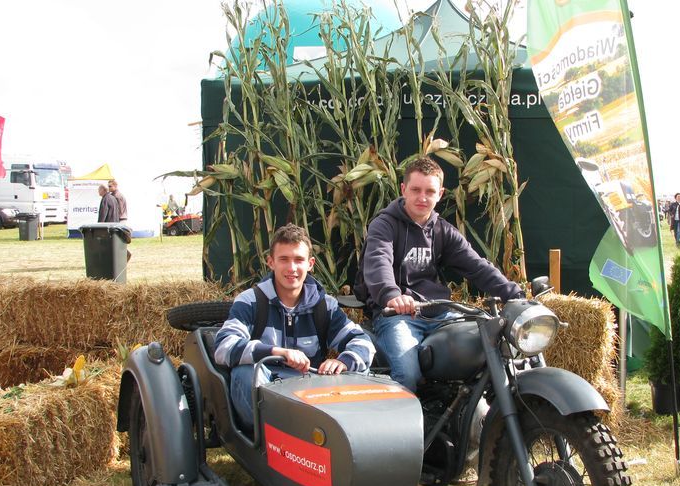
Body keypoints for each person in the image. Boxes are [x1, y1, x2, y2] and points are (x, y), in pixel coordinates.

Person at [359, 156, 525, 391]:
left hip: (439, 314)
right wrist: (391, 295)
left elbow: (476, 265)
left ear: (440, 193)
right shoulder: (385, 225)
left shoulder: (442, 230)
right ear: (403, 189)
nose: (422, 197)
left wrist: (514, 294)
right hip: (397, 315)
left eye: (430, 191)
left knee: (490, 350)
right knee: (407, 373)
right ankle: (411, 427)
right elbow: (378, 261)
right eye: (416, 190)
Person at [214, 224, 375, 431]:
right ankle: (266, 439)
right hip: (266, 387)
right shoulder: (251, 301)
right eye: (284, 259)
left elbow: (362, 341)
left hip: (307, 388)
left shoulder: (324, 305)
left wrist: (343, 362)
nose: (292, 268)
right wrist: (276, 352)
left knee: (362, 370)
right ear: (270, 262)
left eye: (299, 260)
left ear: (310, 264)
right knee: (246, 372)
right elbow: (223, 347)